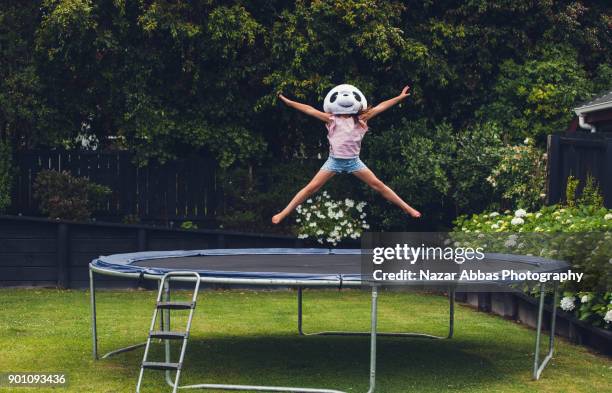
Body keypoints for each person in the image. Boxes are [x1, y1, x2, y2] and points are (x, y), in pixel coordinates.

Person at [272, 84, 421, 224]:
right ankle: (283, 213)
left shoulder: (361, 118)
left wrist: (400, 97)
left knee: (378, 185)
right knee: (311, 188)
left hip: (354, 162)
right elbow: (308, 109)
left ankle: (407, 208)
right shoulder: (331, 119)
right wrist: (289, 102)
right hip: (333, 161)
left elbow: (381, 107)